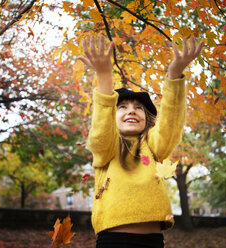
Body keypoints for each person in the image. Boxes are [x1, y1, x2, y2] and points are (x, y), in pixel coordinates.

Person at [78, 35, 204, 248]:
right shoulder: (107, 148)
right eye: (123, 107)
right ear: (112, 116)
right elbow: (100, 131)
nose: (131, 111)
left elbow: (170, 123)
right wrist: (104, 76)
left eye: (138, 108)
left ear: (147, 119)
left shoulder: (153, 146)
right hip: (114, 241)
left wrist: (174, 75)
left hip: (153, 241)